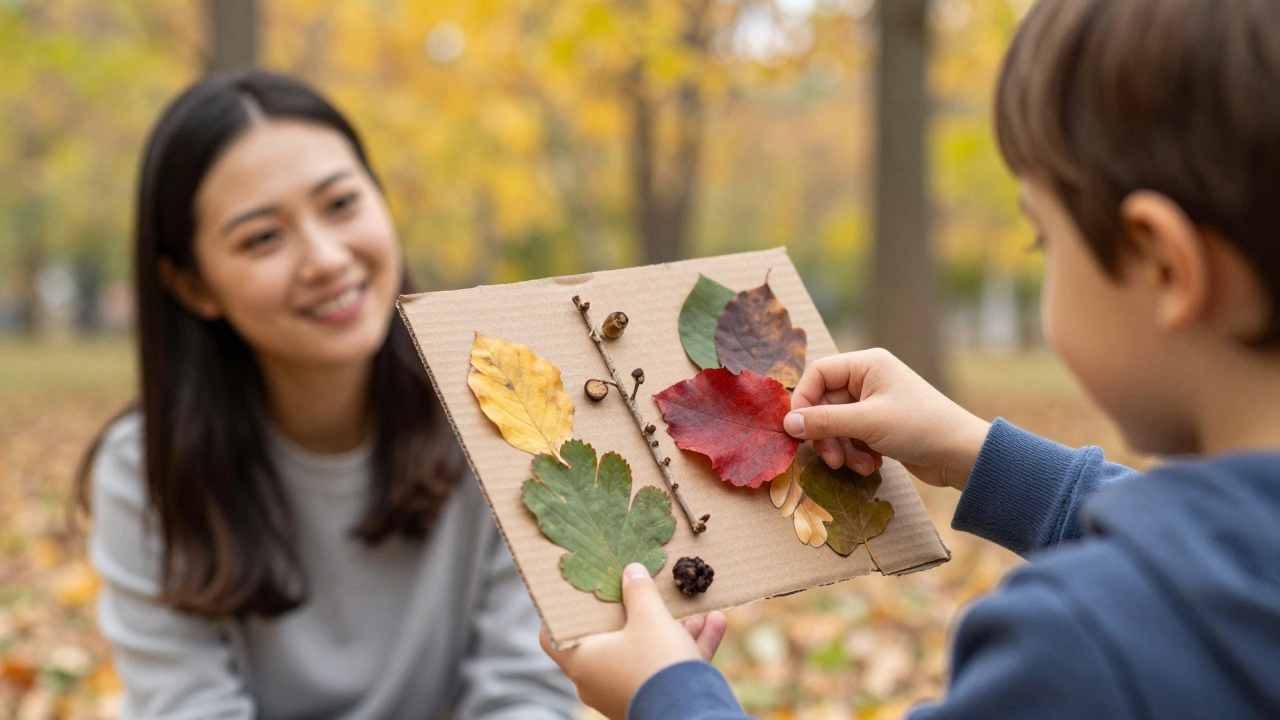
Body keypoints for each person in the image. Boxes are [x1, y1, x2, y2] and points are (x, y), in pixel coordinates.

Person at [541, 0, 1280, 717]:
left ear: (1162, 266)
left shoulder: (1076, 649)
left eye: (1043, 241)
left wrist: (665, 694)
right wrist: (979, 454)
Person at [79, 70, 578, 719]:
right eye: (262, 238)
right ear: (193, 286)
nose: (324, 258)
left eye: (341, 204)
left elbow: (528, 695)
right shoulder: (144, 471)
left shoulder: (507, 414)